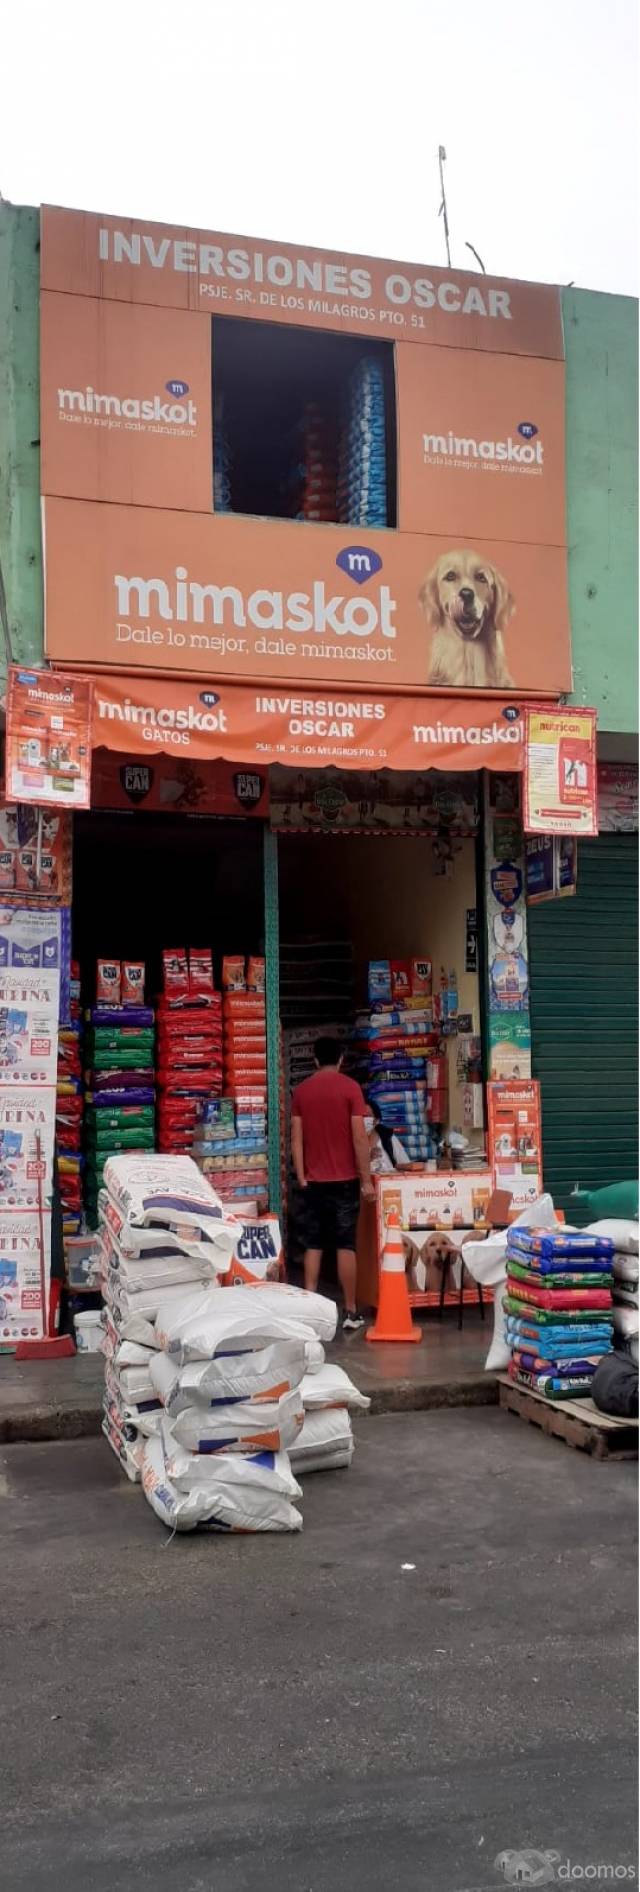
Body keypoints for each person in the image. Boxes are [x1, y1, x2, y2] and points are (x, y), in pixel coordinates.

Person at [291, 1036, 374, 1332]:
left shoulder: (301, 1092)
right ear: (340, 1059)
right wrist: (366, 1179)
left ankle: (311, 1310)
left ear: (314, 1059)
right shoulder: (351, 1089)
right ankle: (350, 1311)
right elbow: (359, 1137)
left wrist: (301, 1175)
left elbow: (297, 1139)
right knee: (345, 1244)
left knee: (313, 1244)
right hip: (345, 1180)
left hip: (313, 1181)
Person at [365, 1099, 411, 1175]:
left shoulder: (387, 1137)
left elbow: (405, 1164)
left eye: (368, 1116)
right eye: (361, 1116)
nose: (364, 1119)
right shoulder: (349, 1141)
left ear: (376, 1121)